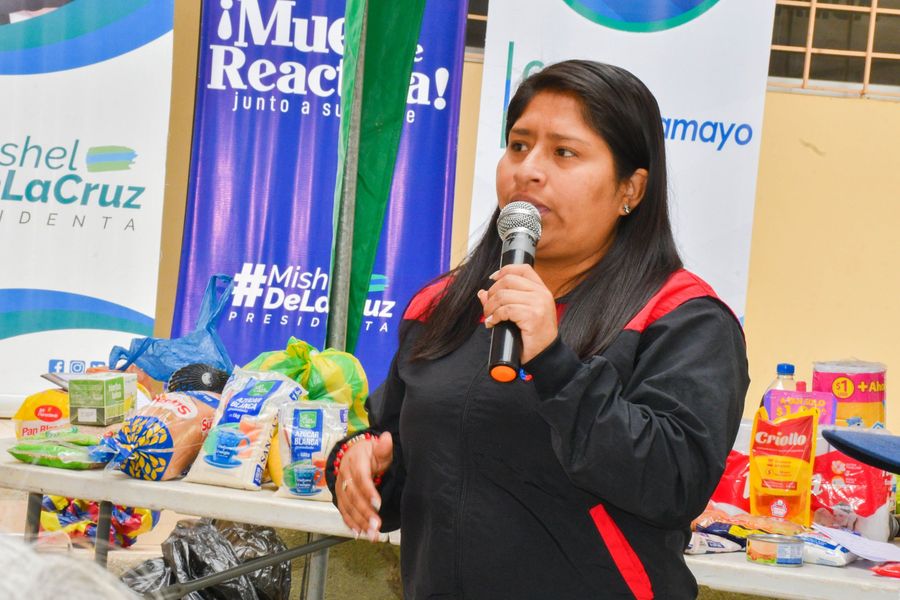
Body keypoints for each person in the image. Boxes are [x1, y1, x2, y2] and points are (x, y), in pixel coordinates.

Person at [326, 60, 749, 599]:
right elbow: (397, 448)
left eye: (564, 152)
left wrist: (555, 362)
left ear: (631, 188)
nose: (528, 170)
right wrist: (360, 464)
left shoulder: (682, 316)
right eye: (519, 145)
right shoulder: (441, 306)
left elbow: (674, 484)